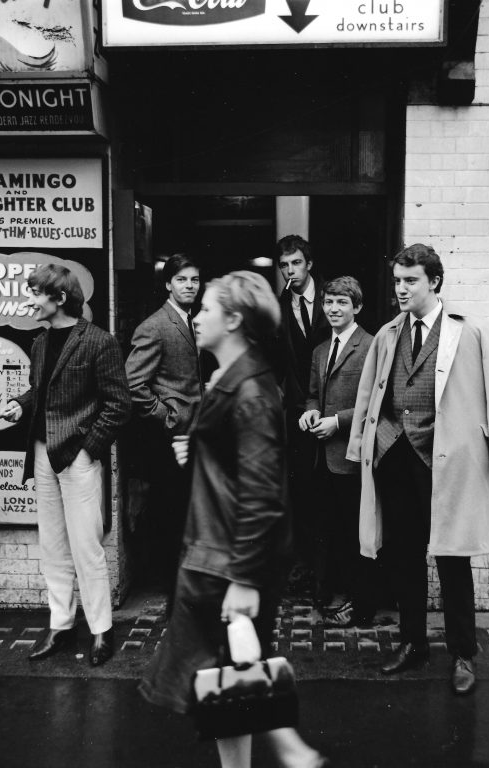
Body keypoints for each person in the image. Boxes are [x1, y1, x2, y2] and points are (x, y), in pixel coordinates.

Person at [140, 271, 328, 768]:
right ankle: (281, 746)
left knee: (229, 671)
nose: (196, 317)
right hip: (215, 554)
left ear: (234, 319)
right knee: (226, 681)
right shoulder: (230, 376)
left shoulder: (250, 392)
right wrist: (196, 449)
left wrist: (244, 579)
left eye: (206, 309)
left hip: (229, 559)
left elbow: (263, 493)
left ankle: (289, 744)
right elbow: (232, 462)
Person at [346, 244, 489, 695]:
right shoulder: (387, 334)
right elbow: (369, 396)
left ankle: (463, 654)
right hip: (395, 455)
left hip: (448, 460)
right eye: (397, 281)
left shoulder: (471, 331)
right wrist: (366, 445)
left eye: (410, 281)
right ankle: (412, 643)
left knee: (453, 558)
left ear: (434, 282)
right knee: (404, 556)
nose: (400, 289)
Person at [0, 264, 131, 667]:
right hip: (42, 453)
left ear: (59, 299)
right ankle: (60, 623)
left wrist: (88, 449)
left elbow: (119, 405)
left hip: (77, 458)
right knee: (52, 545)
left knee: (86, 547)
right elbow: (41, 389)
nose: (29, 300)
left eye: (36, 292)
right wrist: (19, 405)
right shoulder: (40, 343)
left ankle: (101, 629)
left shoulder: (98, 342)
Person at [125, 253, 206, 598]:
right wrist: (165, 414)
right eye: (182, 280)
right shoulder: (156, 325)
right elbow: (132, 384)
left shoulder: (192, 320)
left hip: (191, 434)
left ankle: (183, 581)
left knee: (187, 509)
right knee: (171, 512)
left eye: (194, 280)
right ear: (168, 284)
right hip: (169, 436)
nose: (189, 286)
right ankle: (172, 586)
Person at [298, 276, 376, 625]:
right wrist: (311, 411)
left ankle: (360, 604)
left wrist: (338, 422)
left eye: (341, 302)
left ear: (356, 307)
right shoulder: (318, 350)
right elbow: (313, 393)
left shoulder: (371, 346)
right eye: (328, 302)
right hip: (323, 457)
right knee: (327, 528)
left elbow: (376, 401)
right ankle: (331, 594)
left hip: (352, 455)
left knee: (354, 534)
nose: (333, 308)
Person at [276, 235, 329, 598]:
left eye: (295, 263)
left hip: (334, 409)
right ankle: (309, 568)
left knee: (334, 492)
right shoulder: (279, 307)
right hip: (297, 413)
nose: (290, 271)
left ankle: (332, 573)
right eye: (284, 265)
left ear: (308, 264)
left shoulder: (333, 297)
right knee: (302, 493)